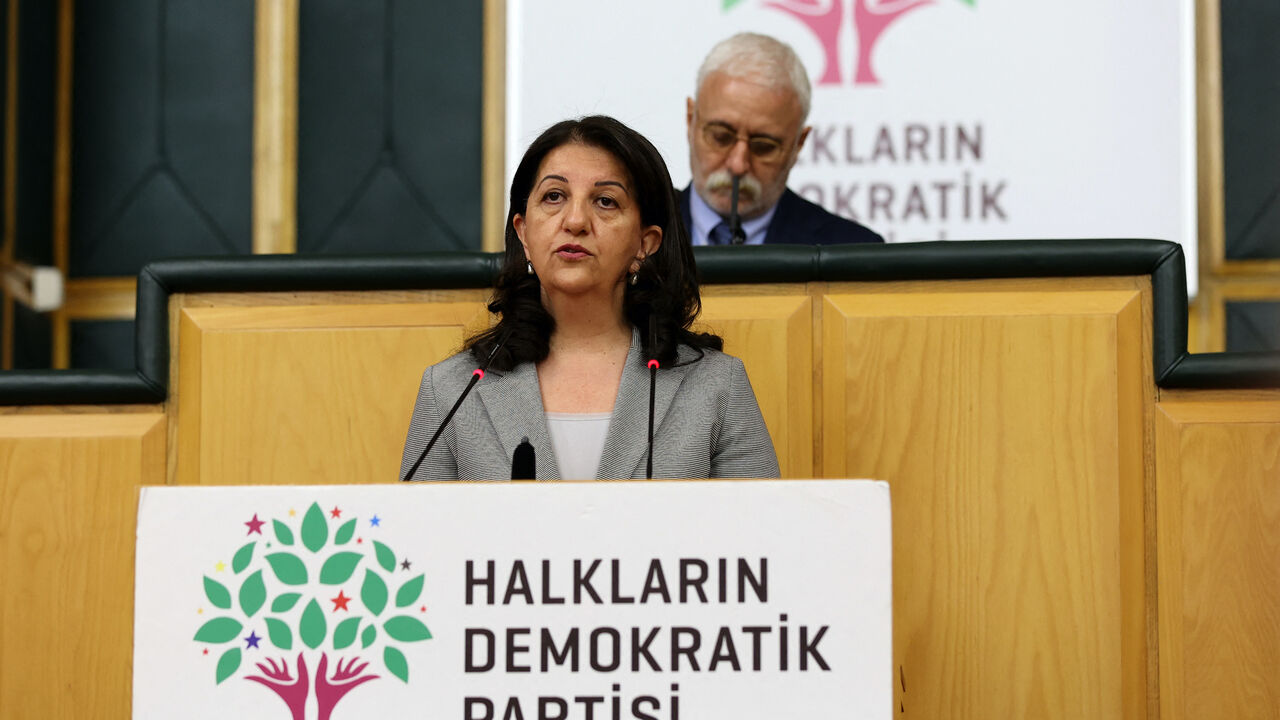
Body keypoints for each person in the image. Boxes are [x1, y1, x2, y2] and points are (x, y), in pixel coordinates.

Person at [401, 116, 780, 481]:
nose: (576, 221)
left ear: (645, 245)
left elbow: (764, 536)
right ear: (524, 234)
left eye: (605, 201)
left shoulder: (716, 386)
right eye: (554, 196)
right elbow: (415, 538)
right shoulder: (452, 390)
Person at [682, 32, 883, 246]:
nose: (738, 165)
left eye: (763, 147)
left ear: (798, 144)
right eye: (721, 137)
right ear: (691, 119)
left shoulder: (853, 250)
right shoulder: (645, 232)